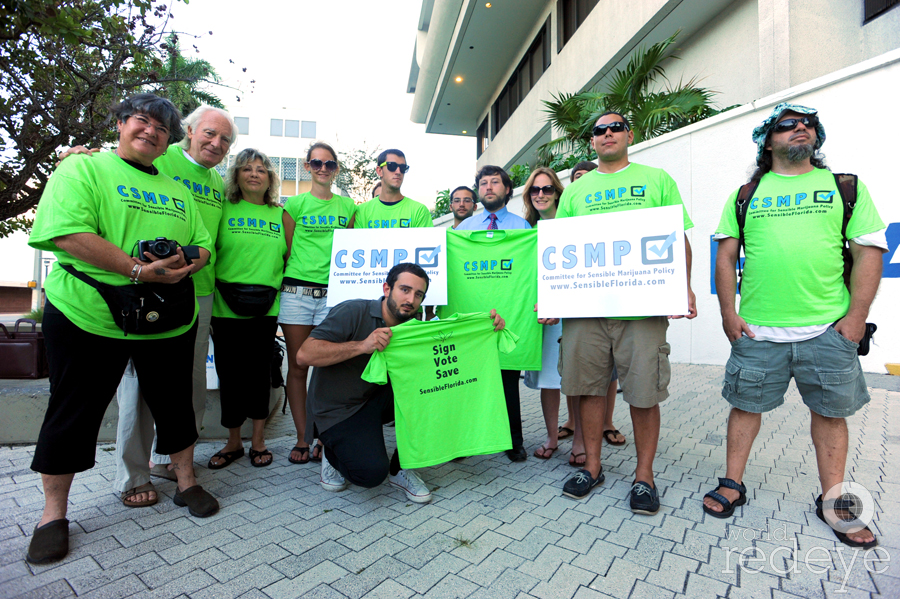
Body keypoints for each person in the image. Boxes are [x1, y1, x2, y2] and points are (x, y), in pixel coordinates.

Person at [26, 93, 218, 564]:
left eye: (162, 128)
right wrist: (136, 269)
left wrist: (178, 264)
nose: (151, 131)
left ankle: (186, 482)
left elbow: (202, 246)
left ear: (170, 140)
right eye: (142, 120)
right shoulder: (82, 169)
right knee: (73, 412)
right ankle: (53, 514)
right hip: (87, 313)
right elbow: (69, 233)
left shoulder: (177, 190)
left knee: (175, 404)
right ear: (120, 123)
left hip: (165, 315)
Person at [704, 104, 885, 549]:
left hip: (827, 330)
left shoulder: (844, 188)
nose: (800, 129)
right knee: (745, 407)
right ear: (768, 142)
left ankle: (835, 501)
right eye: (787, 125)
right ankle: (733, 483)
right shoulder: (746, 193)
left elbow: (868, 252)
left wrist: (856, 317)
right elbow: (726, 257)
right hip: (759, 331)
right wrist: (729, 312)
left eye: (807, 125)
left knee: (830, 414)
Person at [55, 105, 236, 506]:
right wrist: (76, 153)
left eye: (225, 140)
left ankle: (172, 462)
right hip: (125, 290)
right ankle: (134, 475)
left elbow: (210, 236)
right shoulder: (160, 154)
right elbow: (119, 159)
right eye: (209, 133)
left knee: (184, 388)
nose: (216, 143)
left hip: (191, 291)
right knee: (137, 388)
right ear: (186, 132)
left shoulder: (215, 181)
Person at [557, 111, 697, 509]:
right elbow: (559, 251)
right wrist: (550, 299)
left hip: (643, 308)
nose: (607, 134)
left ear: (629, 135)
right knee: (588, 388)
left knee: (643, 392)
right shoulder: (574, 193)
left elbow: (677, 238)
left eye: (615, 127)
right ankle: (593, 468)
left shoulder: (656, 179)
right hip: (586, 310)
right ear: (592, 143)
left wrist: (683, 287)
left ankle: (643, 477)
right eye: (599, 130)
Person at [297, 264, 491, 501]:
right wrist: (362, 345)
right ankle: (332, 451)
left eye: (419, 294)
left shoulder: (412, 324)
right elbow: (304, 355)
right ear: (387, 288)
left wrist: (487, 329)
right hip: (338, 409)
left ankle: (402, 467)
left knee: (439, 383)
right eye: (405, 290)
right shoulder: (353, 311)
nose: (411, 299)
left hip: (375, 399)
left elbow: (450, 352)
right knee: (370, 474)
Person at [207, 149, 286, 469]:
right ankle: (233, 442)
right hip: (225, 307)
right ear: (236, 176)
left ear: (270, 179)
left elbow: (289, 259)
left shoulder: (281, 215)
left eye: (261, 170)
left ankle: (259, 441)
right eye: (247, 169)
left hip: (265, 310)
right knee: (230, 375)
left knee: (259, 374)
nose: (254, 174)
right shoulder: (222, 209)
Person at [452, 165, 536, 462]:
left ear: (507, 189)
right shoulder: (463, 230)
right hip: (471, 318)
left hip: (508, 315)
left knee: (507, 381)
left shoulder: (522, 228)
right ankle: (464, 442)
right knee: (467, 381)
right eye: (483, 183)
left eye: (495, 182)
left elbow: (528, 274)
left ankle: (513, 440)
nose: (488, 187)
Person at [280, 142, 357, 465]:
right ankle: (302, 437)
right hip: (297, 294)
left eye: (329, 164)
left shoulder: (349, 207)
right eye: (316, 163)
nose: (323, 169)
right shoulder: (294, 205)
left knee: (330, 368)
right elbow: (286, 251)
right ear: (306, 167)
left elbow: (354, 251)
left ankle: (325, 436)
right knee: (299, 366)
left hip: (334, 296)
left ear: (336, 168)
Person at [557, 160, 626, 451]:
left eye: (587, 176)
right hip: (581, 308)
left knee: (609, 375)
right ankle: (576, 427)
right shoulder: (565, 211)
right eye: (576, 177)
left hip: (621, 303)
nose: (582, 181)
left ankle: (607, 423)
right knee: (581, 376)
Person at [520, 167, 571, 461]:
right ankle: (552, 438)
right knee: (548, 382)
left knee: (575, 380)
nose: (541, 194)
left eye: (547, 189)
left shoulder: (572, 224)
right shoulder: (525, 231)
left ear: (557, 193)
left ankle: (578, 442)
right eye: (535, 190)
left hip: (571, 314)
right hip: (539, 316)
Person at [354, 149, 432, 229]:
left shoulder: (419, 211)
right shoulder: (362, 211)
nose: (398, 172)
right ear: (379, 171)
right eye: (392, 166)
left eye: (403, 168)